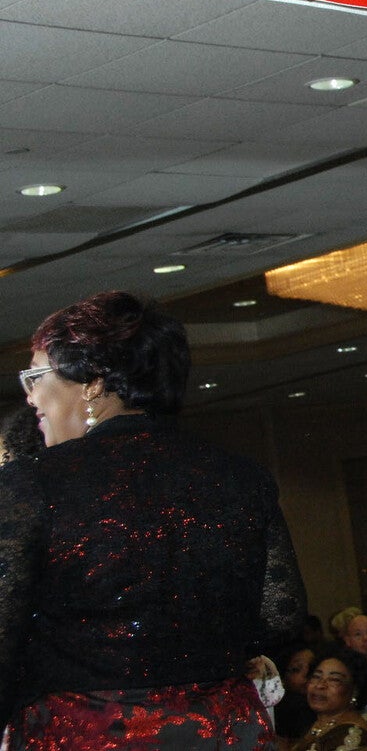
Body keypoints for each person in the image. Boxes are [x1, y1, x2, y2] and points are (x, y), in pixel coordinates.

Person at [0, 290, 306, 748]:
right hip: (220, 726)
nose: (30, 398)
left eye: (36, 376)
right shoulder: (240, 477)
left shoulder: (31, 484)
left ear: (93, 382)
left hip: (91, 732)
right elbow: (280, 617)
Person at [289, 647, 367, 751]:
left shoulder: (352, 737)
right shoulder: (316, 725)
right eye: (316, 676)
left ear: (355, 691)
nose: (320, 685)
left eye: (334, 680)